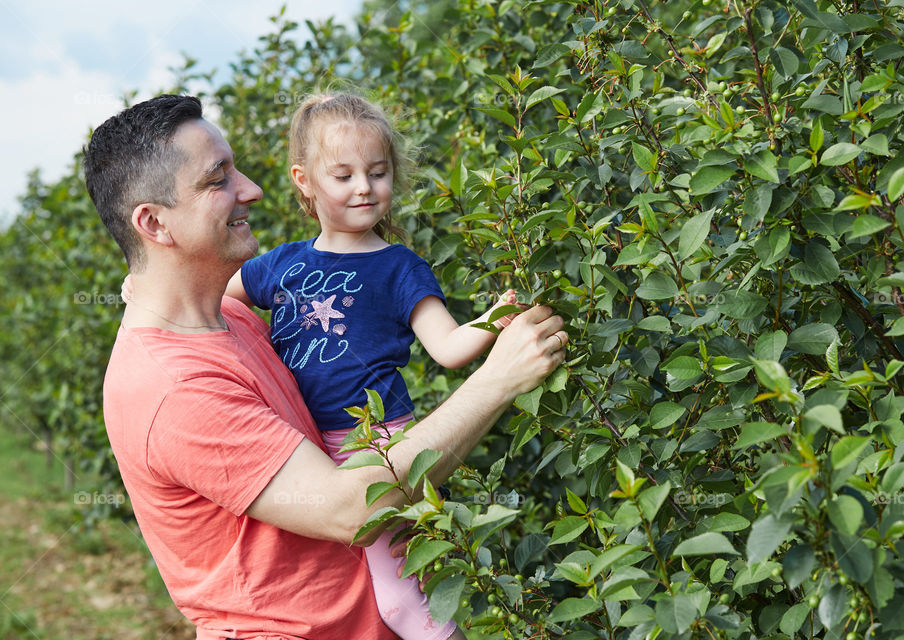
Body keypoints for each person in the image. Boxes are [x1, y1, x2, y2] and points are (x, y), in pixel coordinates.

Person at [83, 93, 567, 640]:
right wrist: (499, 379)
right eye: (218, 180)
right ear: (154, 222)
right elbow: (351, 511)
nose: (252, 189)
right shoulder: (173, 390)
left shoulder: (232, 317)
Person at [208, 92, 512, 640]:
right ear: (305, 180)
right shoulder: (282, 263)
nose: (364, 187)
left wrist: (496, 318)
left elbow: (447, 346)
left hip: (378, 446)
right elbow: (213, 301)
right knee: (350, 584)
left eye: (377, 172)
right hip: (304, 448)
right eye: (343, 175)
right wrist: (144, 292)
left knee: (399, 602)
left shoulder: (399, 267)